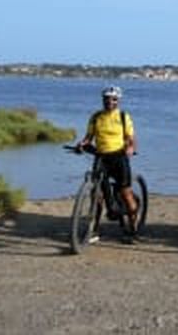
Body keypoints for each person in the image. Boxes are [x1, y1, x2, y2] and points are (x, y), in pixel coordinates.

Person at [74, 85, 138, 241]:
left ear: (118, 100)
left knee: (126, 193)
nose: (110, 102)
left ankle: (133, 228)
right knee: (96, 194)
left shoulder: (123, 116)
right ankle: (94, 229)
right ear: (103, 100)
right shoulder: (96, 117)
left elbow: (131, 139)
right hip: (101, 157)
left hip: (119, 157)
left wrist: (130, 148)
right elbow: (89, 137)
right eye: (107, 99)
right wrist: (82, 144)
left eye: (114, 99)